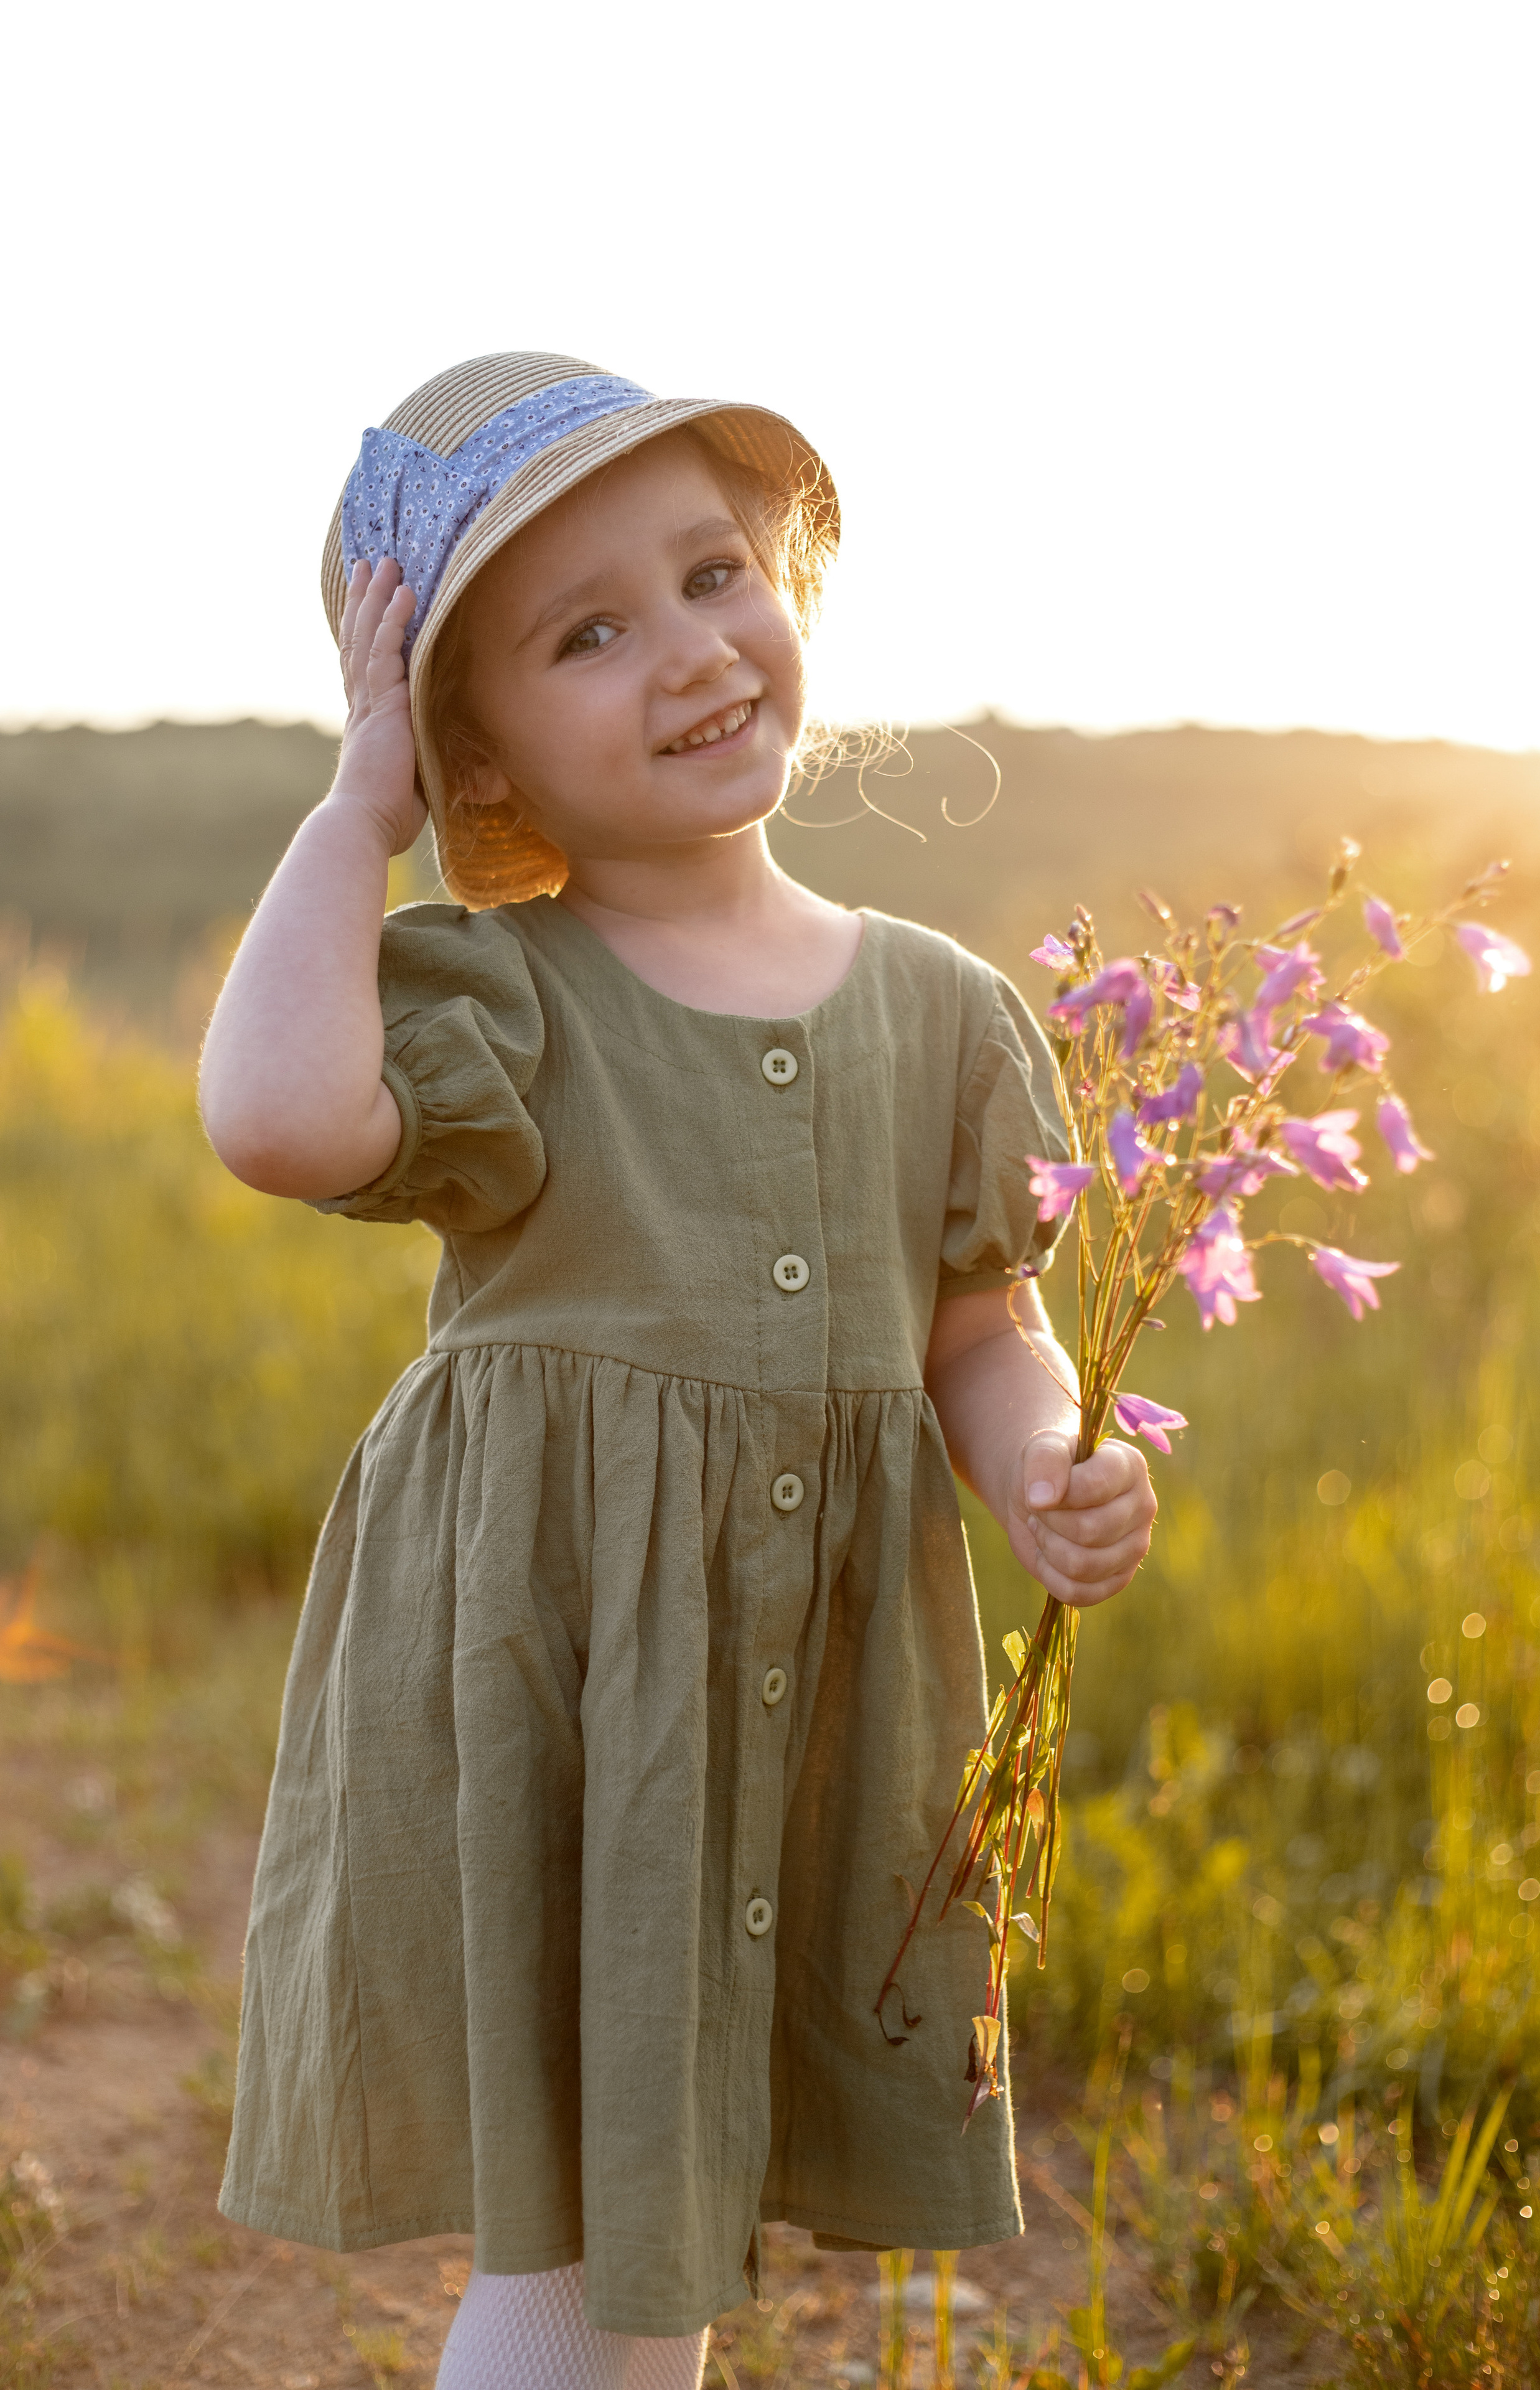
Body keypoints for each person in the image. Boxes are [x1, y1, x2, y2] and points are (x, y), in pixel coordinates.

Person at [200, 352, 1157, 2389]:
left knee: (675, 2240)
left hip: (804, 1703)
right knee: (590, 2245)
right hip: (566, 1693)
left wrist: (1048, 1460)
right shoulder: (498, 1000)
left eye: (716, 573)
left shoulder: (948, 1011)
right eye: (589, 634)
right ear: (483, 755)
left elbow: (980, 1325)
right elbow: (278, 1119)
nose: (694, 653)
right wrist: (357, 815)